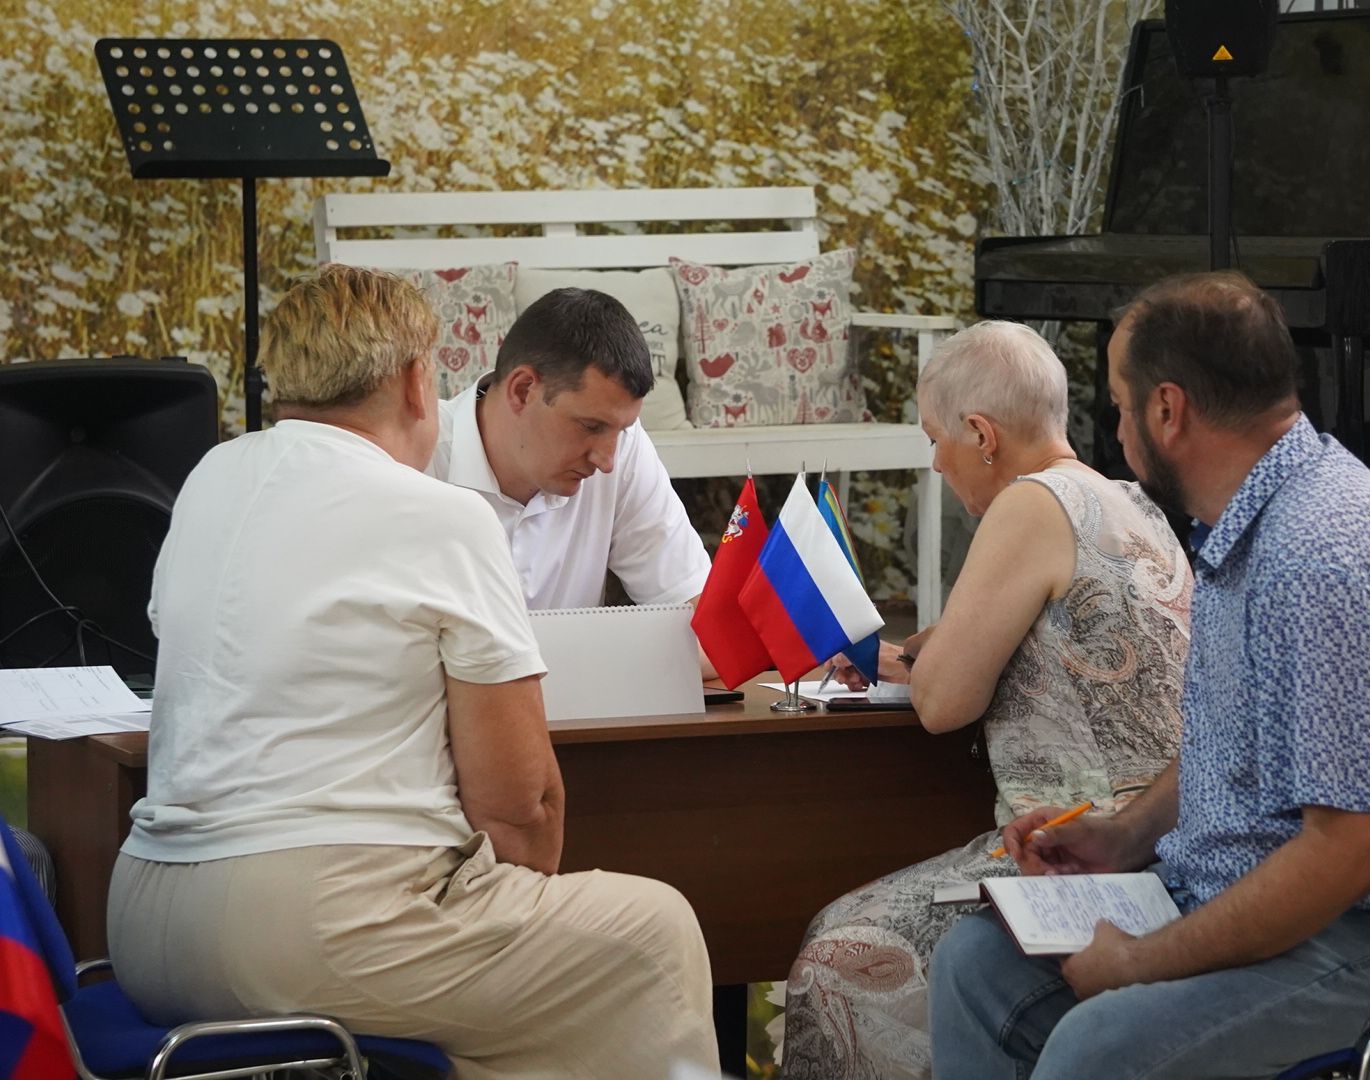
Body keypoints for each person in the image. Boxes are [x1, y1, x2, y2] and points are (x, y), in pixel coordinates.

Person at [928, 271, 1370, 1080]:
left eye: (1119, 407)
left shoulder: (1323, 556)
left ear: (1167, 410)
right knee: (978, 968)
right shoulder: (1253, 521)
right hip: (1276, 891)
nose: (1115, 430)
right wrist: (1123, 836)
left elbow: (1350, 856)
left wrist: (1141, 963)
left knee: (1099, 1051)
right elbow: (1235, 738)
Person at [107, 266, 720, 1080]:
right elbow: (522, 811)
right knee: (654, 930)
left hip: (144, 926)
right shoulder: (443, 514)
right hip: (316, 932)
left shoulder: (209, 482)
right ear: (414, 379)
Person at [782, 320, 1190, 1080]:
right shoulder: (1126, 498)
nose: (937, 462)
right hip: (1162, 840)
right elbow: (1034, 653)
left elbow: (943, 705)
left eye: (936, 440)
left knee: (834, 950)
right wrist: (915, 657)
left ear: (982, 433)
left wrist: (921, 666)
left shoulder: (1030, 503)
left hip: (1077, 848)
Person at [427, 287, 713, 625]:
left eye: (620, 431)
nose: (607, 460)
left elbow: (706, 625)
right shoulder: (414, 458)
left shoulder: (624, 445)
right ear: (523, 390)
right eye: (590, 426)